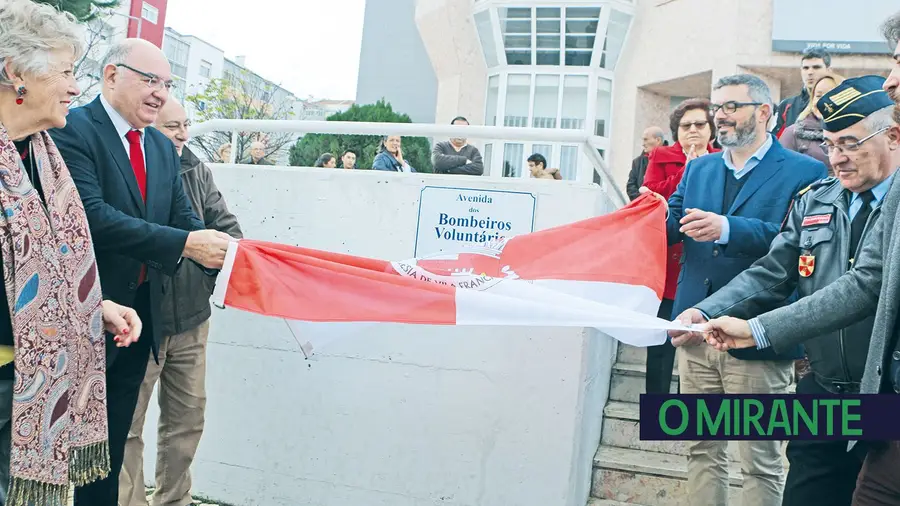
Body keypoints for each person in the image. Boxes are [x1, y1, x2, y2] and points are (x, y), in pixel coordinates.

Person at [675, 76, 896, 506]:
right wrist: (705, 311)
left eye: (850, 144)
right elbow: (774, 272)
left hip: (888, 393)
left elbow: (862, 286)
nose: (837, 159)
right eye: (830, 145)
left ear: (892, 136)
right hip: (826, 388)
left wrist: (757, 329)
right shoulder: (819, 198)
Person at [48, 38, 234, 506]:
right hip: (85, 314)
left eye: (167, 84)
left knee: (108, 447)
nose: (159, 93)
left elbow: (182, 217)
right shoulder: (73, 130)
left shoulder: (160, 147)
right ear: (112, 76)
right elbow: (93, 217)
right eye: (149, 80)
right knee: (64, 448)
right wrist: (187, 243)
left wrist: (224, 250)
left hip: (139, 321)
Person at [659, 73, 827, 506]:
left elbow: (801, 243)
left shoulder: (806, 171)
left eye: (732, 106)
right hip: (693, 330)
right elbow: (670, 227)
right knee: (702, 451)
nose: (721, 116)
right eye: (718, 107)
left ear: (765, 112)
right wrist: (643, 216)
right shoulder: (698, 168)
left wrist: (729, 228)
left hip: (758, 335)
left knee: (760, 460)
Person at [0, 2, 144, 504]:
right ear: (16, 73)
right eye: (64, 72)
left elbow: (38, 270)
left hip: (29, 384)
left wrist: (91, 306)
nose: (74, 87)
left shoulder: (40, 156)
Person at [119, 100, 243, 506]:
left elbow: (227, 231)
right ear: (150, 125)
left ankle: (175, 500)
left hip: (191, 317)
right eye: (173, 126)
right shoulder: (129, 168)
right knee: (127, 425)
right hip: (138, 320)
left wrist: (210, 266)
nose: (184, 134)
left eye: (186, 125)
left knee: (186, 420)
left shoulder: (196, 169)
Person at [639, 98, 718, 394]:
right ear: (676, 131)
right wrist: (689, 170)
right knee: (661, 342)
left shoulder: (725, 159)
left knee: (703, 345)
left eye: (700, 124)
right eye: (686, 126)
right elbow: (650, 196)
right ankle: (656, 409)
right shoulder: (660, 156)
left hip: (706, 263)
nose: (693, 130)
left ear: (711, 130)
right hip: (667, 266)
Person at [780, 74, 844, 173]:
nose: (823, 101)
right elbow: (781, 173)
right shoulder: (792, 133)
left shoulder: (858, 133)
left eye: (830, 95)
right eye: (818, 96)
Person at [773, 47, 832, 137]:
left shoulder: (840, 102)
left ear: (828, 71)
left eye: (816, 67)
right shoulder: (787, 105)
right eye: (806, 68)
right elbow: (777, 140)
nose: (810, 72)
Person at [626, 126, 666, 201]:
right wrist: (644, 201)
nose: (643, 144)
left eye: (646, 140)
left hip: (665, 208)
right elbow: (631, 186)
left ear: (658, 140)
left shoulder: (671, 160)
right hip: (643, 208)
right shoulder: (637, 162)